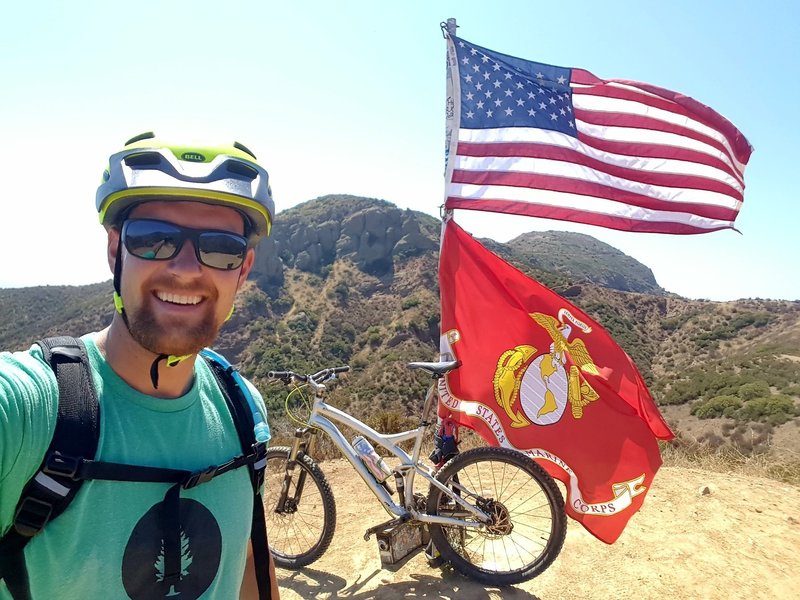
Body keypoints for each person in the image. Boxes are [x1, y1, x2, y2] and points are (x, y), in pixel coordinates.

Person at [0, 132, 280, 599]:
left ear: (244, 269)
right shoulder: (32, 410)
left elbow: (249, 557)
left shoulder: (242, 408)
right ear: (115, 251)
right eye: (155, 240)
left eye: (220, 249)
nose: (188, 269)